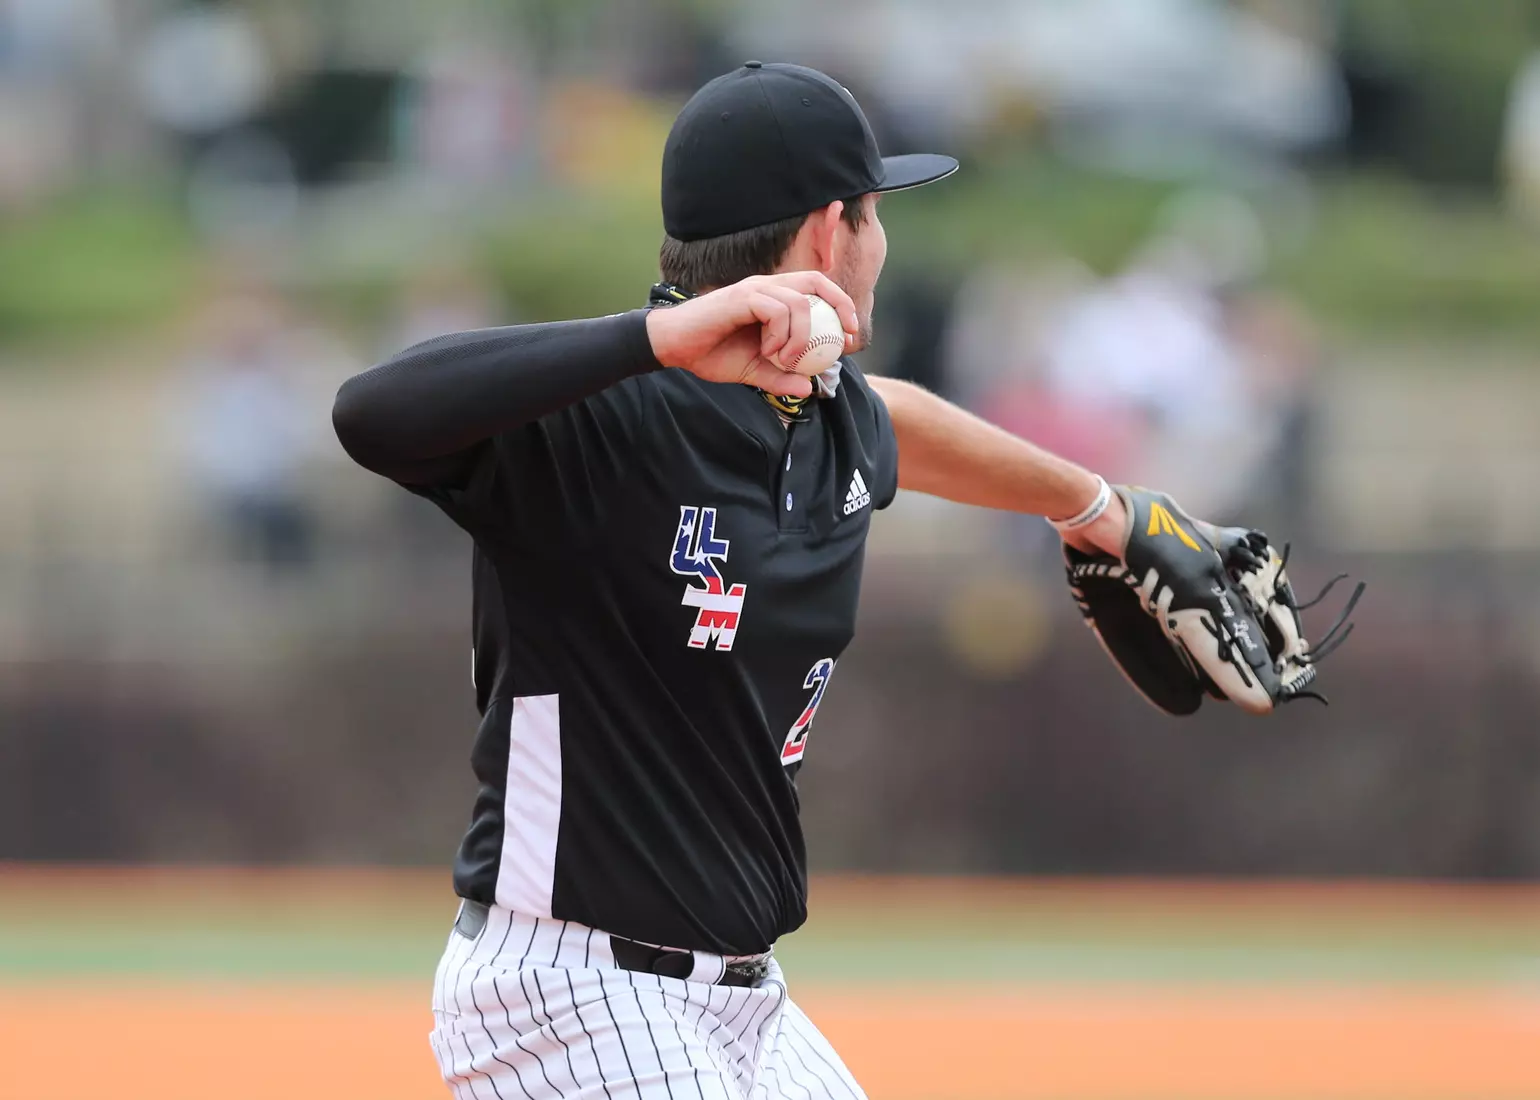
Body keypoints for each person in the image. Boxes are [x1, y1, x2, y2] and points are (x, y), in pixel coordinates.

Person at [333, 62, 1136, 1100]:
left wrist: (1096, 507)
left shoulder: (825, 414)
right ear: (825, 232)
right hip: (571, 993)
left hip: (746, 1000)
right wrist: (655, 340)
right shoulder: (605, 416)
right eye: (875, 213)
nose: (882, 245)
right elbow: (370, 410)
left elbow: (907, 425)